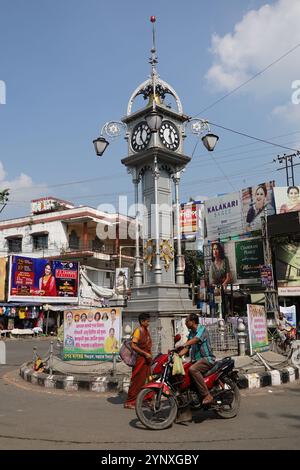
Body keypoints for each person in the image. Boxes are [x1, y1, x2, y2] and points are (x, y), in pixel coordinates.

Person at [178, 313, 216, 404]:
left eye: (187, 321)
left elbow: (196, 339)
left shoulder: (202, 329)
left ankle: (207, 395)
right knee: (184, 370)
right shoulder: (191, 333)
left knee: (193, 369)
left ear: (193, 322)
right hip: (196, 361)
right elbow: (186, 349)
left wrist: (184, 344)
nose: (186, 323)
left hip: (207, 359)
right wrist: (177, 354)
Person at [124, 312, 152, 409]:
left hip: (146, 360)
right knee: (137, 380)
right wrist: (144, 353)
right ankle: (130, 401)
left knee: (147, 379)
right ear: (142, 321)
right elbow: (133, 345)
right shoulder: (138, 330)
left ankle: (144, 399)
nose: (148, 323)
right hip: (140, 359)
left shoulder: (146, 330)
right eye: (147, 321)